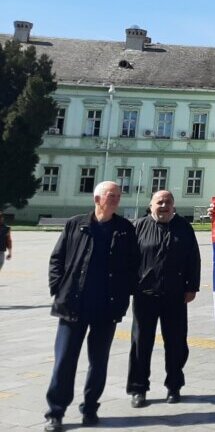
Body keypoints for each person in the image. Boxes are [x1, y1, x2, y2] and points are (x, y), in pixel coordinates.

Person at [43, 182, 139, 432]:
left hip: (106, 308)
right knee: (64, 361)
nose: (117, 199)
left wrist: (122, 296)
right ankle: (56, 412)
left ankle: (90, 407)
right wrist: (58, 287)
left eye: (118, 195)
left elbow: (133, 266)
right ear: (97, 198)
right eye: (111, 195)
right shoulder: (76, 224)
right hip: (73, 305)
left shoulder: (125, 229)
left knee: (99, 362)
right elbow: (57, 258)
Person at [126, 191, 201, 408]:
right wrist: (130, 285)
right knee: (141, 344)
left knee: (176, 343)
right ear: (151, 206)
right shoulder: (138, 227)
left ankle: (174, 386)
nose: (164, 205)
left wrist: (192, 287)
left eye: (168, 202)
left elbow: (193, 258)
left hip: (175, 296)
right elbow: (129, 260)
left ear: (174, 206)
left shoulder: (184, 228)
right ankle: (138, 389)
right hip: (144, 296)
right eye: (160, 202)